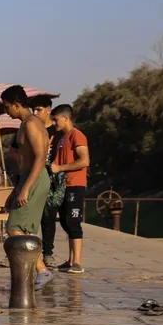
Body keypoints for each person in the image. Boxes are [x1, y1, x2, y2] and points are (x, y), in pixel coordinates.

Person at [0, 85, 53, 289]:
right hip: (27, 178)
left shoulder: (32, 124)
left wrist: (25, 188)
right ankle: (27, 277)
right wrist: (16, 189)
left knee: (14, 229)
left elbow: (40, 158)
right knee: (23, 231)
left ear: (16, 104)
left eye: (7, 107)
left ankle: (42, 271)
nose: (6, 112)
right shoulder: (24, 124)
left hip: (36, 178)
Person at [50, 104, 90, 273]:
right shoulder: (61, 138)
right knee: (66, 222)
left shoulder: (77, 135)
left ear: (66, 118)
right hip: (63, 186)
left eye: (56, 119)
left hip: (75, 185)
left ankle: (78, 262)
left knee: (73, 222)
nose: (54, 123)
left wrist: (60, 168)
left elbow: (84, 161)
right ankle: (71, 260)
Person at [31, 95, 65, 269]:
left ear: (49, 110)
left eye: (39, 109)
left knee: (48, 217)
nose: (35, 113)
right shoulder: (29, 128)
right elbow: (15, 151)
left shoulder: (58, 132)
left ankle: (48, 253)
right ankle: (25, 251)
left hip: (52, 180)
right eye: (33, 110)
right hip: (32, 178)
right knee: (29, 217)